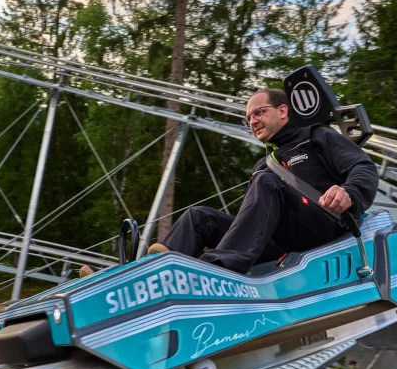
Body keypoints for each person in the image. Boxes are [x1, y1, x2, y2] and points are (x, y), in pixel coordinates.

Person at [80, 88, 378, 277]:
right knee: (199, 217)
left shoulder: (316, 137)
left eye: (259, 112)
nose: (253, 121)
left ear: (283, 111)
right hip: (280, 244)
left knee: (266, 182)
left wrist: (348, 193)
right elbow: (253, 220)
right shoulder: (264, 165)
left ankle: (215, 271)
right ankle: (152, 276)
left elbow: (363, 167)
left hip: (323, 230)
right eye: (248, 118)